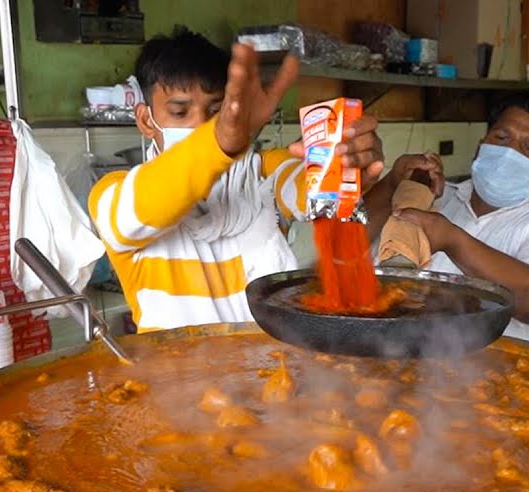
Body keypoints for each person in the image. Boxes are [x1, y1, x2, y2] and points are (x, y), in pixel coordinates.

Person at [88, 28, 384, 332]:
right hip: (172, 376)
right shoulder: (113, 195)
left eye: (215, 111)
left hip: (269, 372)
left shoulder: (262, 174)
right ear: (145, 120)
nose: (201, 124)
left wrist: (345, 165)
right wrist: (218, 144)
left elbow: (303, 184)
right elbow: (148, 203)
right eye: (180, 112)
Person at [364, 94, 529, 346]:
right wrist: (392, 183)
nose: (508, 153)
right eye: (501, 138)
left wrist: (452, 240)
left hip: (494, 379)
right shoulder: (435, 197)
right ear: (481, 147)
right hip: (390, 363)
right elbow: (346, 248)